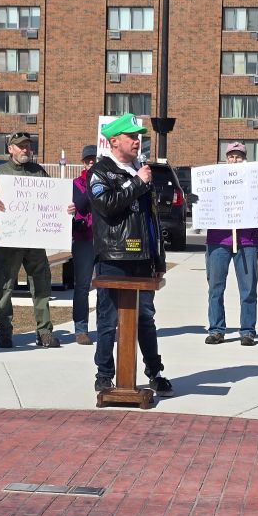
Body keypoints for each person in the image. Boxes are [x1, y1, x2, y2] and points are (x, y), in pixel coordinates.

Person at [87, 112, 172, 396]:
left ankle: (154, 372)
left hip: (143, 260)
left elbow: (152, 221)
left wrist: (158, 259)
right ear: (114, 141)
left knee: (146, 318)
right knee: (108, 320)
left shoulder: (141, 171)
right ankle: (104, 375)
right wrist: (136, 182)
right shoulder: (100, 172)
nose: (137, 141)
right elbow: (108, 206)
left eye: (138, 137)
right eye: (131, 137)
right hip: (114, 258)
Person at [0, 131, 60, 349]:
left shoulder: (39, 172)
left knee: (41, 285)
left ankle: (44, 332)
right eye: (20, 146)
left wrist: (65, 207)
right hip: (10, 241)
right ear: (10, 149)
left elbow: (54, 200)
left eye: (28, 145)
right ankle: (5, 332)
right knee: (5, 286)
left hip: (35, 241)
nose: (25, 149)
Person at [205, 141, 258, 347]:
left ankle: (247, 330)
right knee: (215, 288)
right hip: (218, 241)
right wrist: (196, 200)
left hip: (247, 241)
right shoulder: (214, 179)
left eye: (239, 156)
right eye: (231, 156)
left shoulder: (253, 181)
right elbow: (205, 202)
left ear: (245, 159)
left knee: (248, 289)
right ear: (225, 158)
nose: (235, 160)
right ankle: (217, 329)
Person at [66, 145, 96, 344]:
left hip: (104, 240)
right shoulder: (76, 183)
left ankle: (107, 327)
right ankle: (81, 329)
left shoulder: (110, 181)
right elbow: (81, 204)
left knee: (107, 286)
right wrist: (94, 184)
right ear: (83, 162)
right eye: (87, 160)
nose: (91, 162)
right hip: (83, 238)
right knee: (82, 286)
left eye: (94, 159)